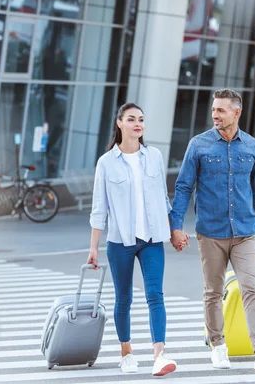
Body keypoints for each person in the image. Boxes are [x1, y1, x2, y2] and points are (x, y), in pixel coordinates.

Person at [169, 88, 255, 372]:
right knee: (213, 291)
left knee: (252, 289)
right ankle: (218, 346)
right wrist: (176, 226)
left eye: (221, 110)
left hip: (246, 230)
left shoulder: (252, 147)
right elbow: (184, 186)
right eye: (213, 110)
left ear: (237, 112)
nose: (215, 115)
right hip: (210, 232)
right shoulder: (199, 145)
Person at [87, 103, 177, 377]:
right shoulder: (106, 162)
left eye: (141, 119)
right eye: (131, 119)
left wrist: (174, 231)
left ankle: (159, 355)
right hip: (120, 241)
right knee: (123, 298)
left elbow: (163, 198)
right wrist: (93, 248)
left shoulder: (154, 157)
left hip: (152, 238)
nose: (137, 123)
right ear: (119, 123)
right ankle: (126, 351)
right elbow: (99, 208)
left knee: (155, 294)